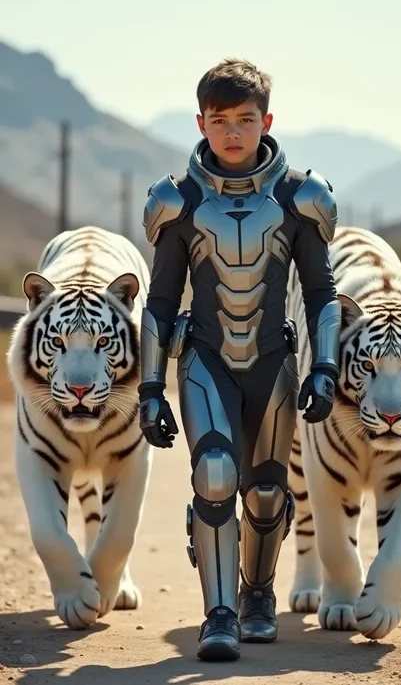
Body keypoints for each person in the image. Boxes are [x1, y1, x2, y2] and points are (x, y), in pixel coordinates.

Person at [138, 58, 341, 661]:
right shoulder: (177, 200)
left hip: (275, 364)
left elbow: (324, 293)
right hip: (205, 362)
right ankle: (219, 614)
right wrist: (151, 389)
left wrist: (324, 368)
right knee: (216, 473)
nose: (232, 132)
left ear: (266, 121)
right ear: (200, 122)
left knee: (268, 494)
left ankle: (257, 594)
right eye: (219, 120)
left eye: (245, 120)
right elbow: (161, 300)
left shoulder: (301, 197)